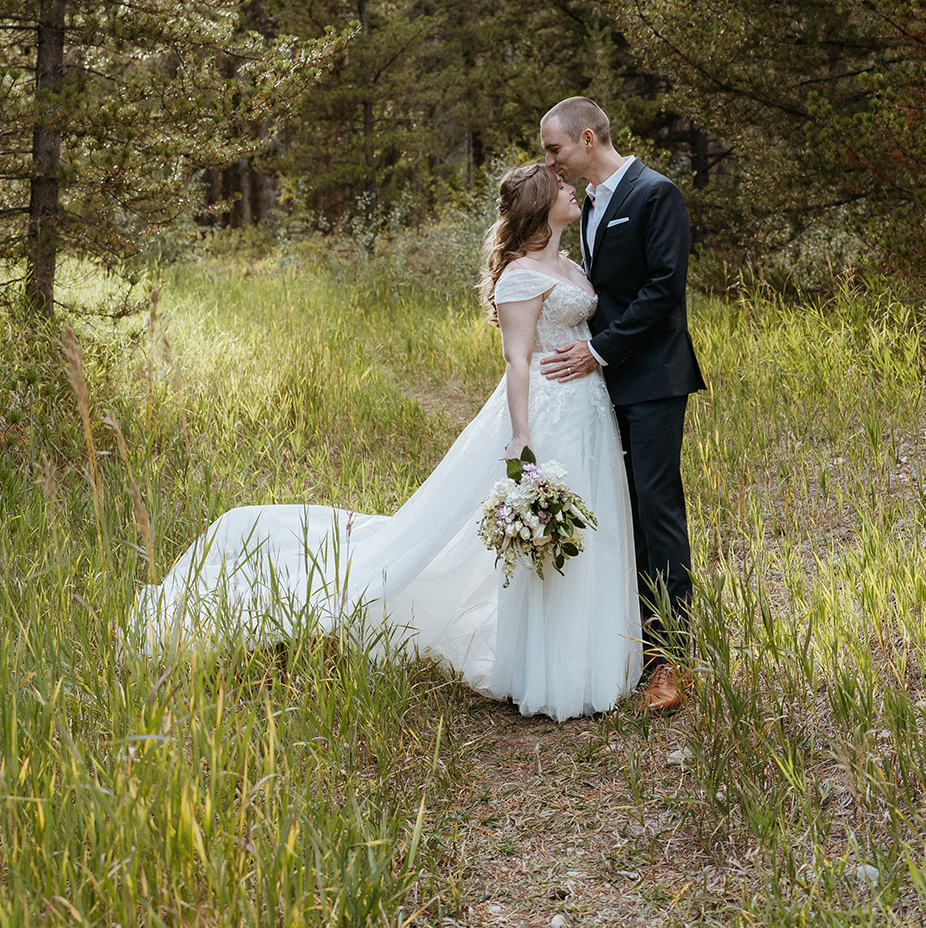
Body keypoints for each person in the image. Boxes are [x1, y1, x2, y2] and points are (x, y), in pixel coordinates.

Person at [129, 165, 643, 722]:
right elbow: (518, 358)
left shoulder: (570, 263)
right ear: (543, 204)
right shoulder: (520, 277)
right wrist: (522, 435)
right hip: (548, 411)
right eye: (563, 186)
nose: (574, 190)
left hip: (589, 410)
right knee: (546, 536)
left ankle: (594, 660)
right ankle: (550, 672)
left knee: (594, 529)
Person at [539, 97, 705, 716]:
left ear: (586, 138)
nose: (550, 162)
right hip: (605, 384)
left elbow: (665, 288)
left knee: (656, 508)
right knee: (620, 510)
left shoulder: (655, 193)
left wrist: (598, 352)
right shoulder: (588, 206)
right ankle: (631, 647)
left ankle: (674, 660)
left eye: (554, 149)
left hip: (654, 378)